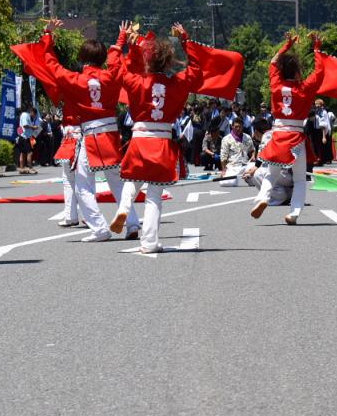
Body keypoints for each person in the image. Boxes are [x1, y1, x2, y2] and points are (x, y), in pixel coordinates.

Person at [39, 19, 140, 242]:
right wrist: (120, 40)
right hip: (111, 134)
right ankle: (132, 223)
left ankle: (99, 228)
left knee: (82, 185)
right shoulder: (111, 76)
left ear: (82, 58)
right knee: (117, 182)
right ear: (102, 58)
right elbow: (117, 63)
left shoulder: (75, 79)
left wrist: (48, 36)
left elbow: (52, 66)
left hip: (90, 136)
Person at [109, 23, 205, 254]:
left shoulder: (136, 81)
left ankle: (124, 207)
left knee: (132, 180)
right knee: (154, 194)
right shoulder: (179, 84)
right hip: (162, 140)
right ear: (168, 62)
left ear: (148, 62)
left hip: (140, 137)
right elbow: (197, 69)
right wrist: (185, 40)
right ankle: (150, 242)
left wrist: (121, 40)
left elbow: (115, 67)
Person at [252, 32, 325, 225]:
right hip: (297, 137)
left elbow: (273, 62)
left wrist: (287, 45)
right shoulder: (304, 88)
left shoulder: (276, 84)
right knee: (300, 179)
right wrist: (316, 48)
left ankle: (262, 199)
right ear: (297, 72)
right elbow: (320, 72)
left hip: (278, 135)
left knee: (271, 174)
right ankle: (294, 213)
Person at [219, 118, 255, 186]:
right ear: (232, 126)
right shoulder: (226, 139)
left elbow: (252, 150)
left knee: (257, 175)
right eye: (236, 127)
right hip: (233, 166)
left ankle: (247, 178)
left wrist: (253, 156)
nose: (238, 128)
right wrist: (223, 170)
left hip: (246, 165)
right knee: (226, 183)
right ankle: (235, 178)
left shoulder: (248, 137)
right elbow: (223, 156)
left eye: (240, 127)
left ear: (242, 127)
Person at [16, 107, 41, 174]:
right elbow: (25, 125)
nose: (34, 116)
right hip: (24, 137)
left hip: (25, 136)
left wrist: (33, 128)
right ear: (32, 112)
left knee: (23, 153)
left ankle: (22, 168)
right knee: (29, 152)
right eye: (35, 115)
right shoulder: (25, 115)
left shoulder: (27, 116)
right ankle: (29, 167)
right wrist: (33, 127)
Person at [312, 99, 334, 165]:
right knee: (317, 146)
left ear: (321, 105)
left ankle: (321, 160)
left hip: (322, 131)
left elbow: (323, 125)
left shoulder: (323, 112)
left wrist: (324, 136)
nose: (317, 105)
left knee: (321, 146)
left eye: (318, 104)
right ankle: (317, 159)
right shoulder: (316, 111)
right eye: (316, 104)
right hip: (316, 130)